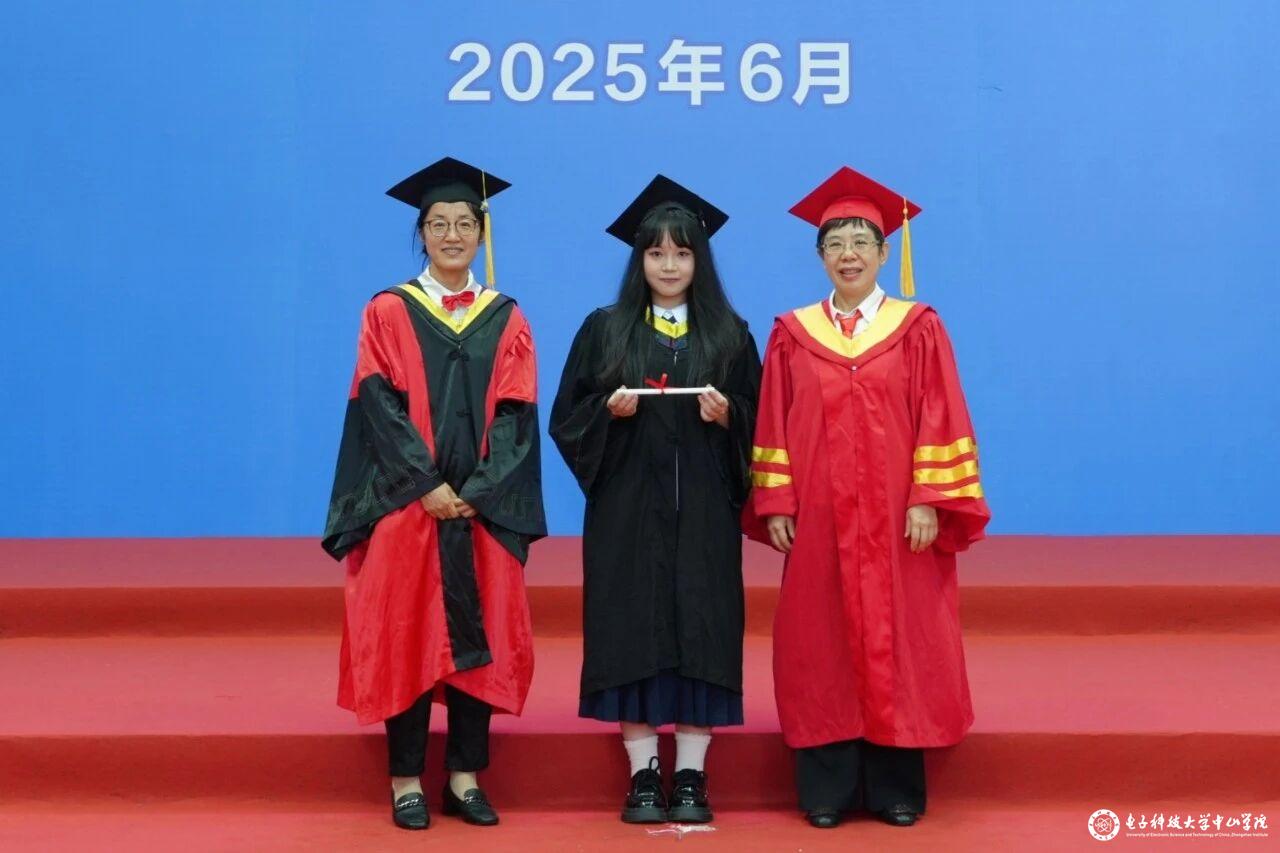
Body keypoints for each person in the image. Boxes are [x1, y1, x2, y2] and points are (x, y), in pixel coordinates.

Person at [745, 166, 991, 829]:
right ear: (819, 255)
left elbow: (941, 413)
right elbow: (773, 422)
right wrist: (777, 500)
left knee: (900, 636)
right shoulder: (793, 332)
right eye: (835, 243)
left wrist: (928, 497)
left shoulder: (917, 327)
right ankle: (825, 788)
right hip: (821, 518)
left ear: (885, 252)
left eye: (861, 242)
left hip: (896, 519)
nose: (848, 254)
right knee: (819, 639)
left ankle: (894, 786)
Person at [321, 157, 546, 830]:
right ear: (421, 234)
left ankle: (465, 777)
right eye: (439, 223)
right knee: (405, 636)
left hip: (480, 511)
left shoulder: (506, 317)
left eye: (464, 223)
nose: (452, 235)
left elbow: (517, 413)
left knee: (482, 638)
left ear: (481, 233)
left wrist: (478, 490)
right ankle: (405, 781)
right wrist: (427, 486)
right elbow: (377, 405)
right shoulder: (388, 310)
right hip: (407, 506)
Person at [549, 175, 761, 824]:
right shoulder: (606, 330)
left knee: (703, 625)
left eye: (682, 252)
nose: (669, 265)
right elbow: (567, 417)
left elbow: (763, 421)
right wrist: (606, 414)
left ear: (700, 260)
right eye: (656, 252)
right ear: (639, 259)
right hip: (628, 512)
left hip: (702, 512)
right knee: (630, 625)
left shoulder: (729, 334)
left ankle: (691, 774)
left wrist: (730, 417)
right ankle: (643, 774)